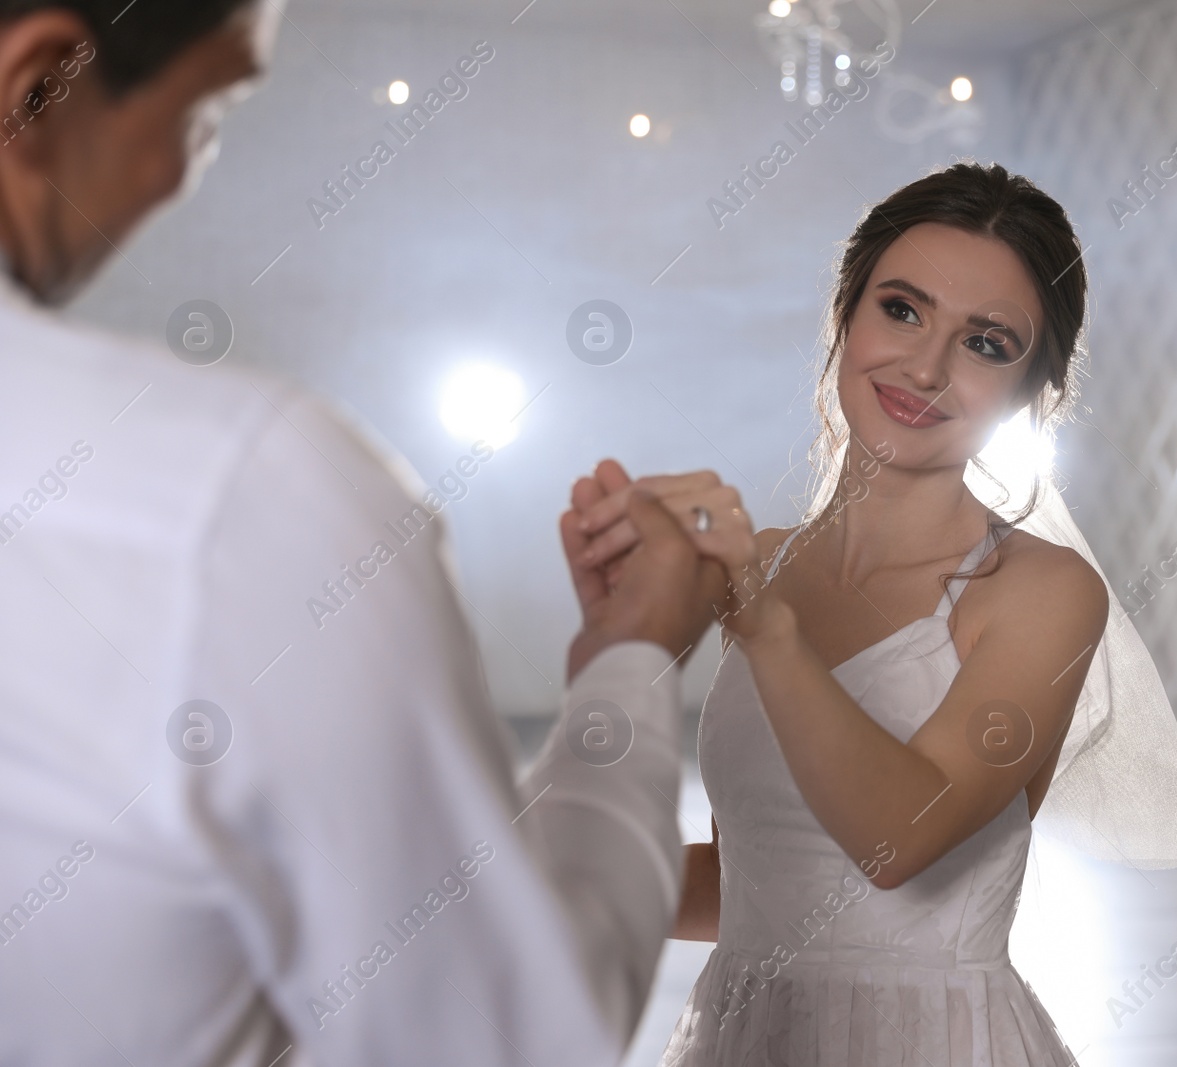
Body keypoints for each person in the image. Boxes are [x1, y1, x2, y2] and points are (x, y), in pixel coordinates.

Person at [0, 2, 725, 1064]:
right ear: (38, 85)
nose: (185, 172)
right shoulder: (230, 498)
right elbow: (508, 1041)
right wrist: (630, 666)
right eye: (209, 112)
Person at [574, 162, 1177, 1065]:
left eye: (986, 343)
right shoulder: (761, 565)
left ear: (1034, 389)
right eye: (903, 309)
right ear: (845, 314)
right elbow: (753, 882)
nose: (923, 365)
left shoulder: (1040, 589)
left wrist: (765, 628)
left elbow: (897, 839)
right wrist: (612, 645)